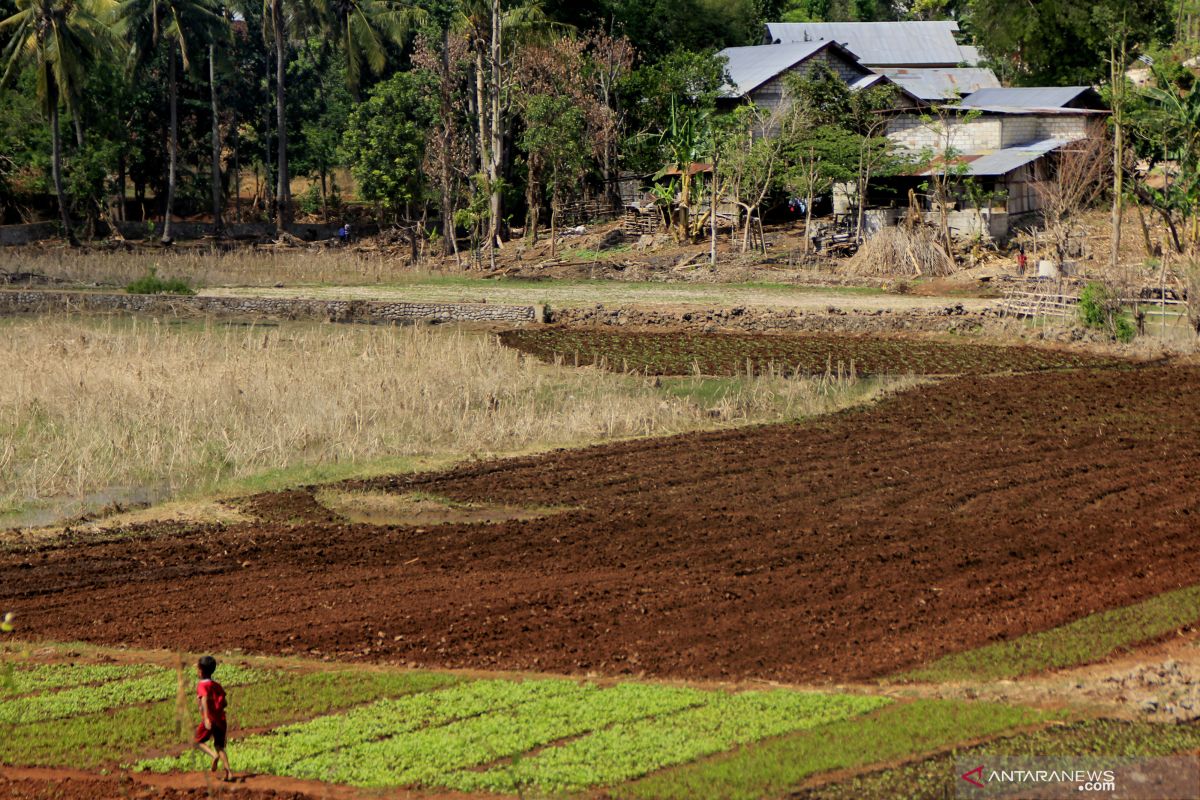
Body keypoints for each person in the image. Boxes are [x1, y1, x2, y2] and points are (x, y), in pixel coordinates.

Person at [194, 655, 232, 781]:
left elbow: (204, 698)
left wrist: (205, 718)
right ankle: (229, 772)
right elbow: (225, 703)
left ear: (200, 671)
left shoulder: (201, 685)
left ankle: (213, 755)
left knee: (197, 742)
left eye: (197, 669)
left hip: (210, 719)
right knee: (220, 746)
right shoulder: (217, 685)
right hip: (221, 719)